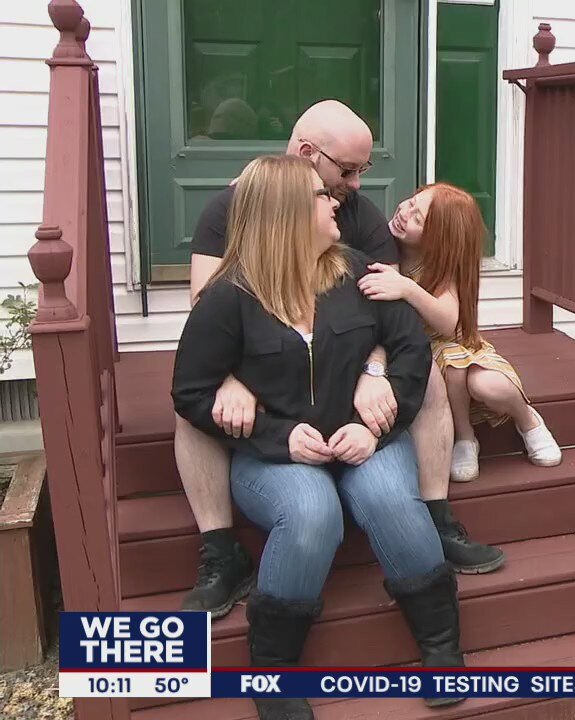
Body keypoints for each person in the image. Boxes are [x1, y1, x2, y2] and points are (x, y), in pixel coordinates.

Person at [178, 100, 503, 618]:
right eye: (347, 171)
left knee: (433, 379)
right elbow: (206, 305)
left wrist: (374, 367)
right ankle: (220, 551)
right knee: (200, 405)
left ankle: (435, 516)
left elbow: (386, 303)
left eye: (362, 171)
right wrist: (231, 376)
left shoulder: (357, 214)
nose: (354, 184)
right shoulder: (231, 208)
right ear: (308, 155)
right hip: (263, 359)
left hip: (343, 360)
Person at [172, 155, 466, 719]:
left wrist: (375, 416)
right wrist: (277, 436)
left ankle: (441, 646)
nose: (337, 201)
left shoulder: (359, 272)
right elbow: (190, 392)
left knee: (390, 501)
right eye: (320, 195)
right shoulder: (229, 296)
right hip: (275, 458)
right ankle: (274, 673)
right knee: (312, 514)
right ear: (285, 211)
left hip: (366, 441)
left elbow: (410, 351)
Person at [358, 182, 562, 484]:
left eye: (417, 219)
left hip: (459, 348)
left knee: (487, 385)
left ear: (438, 240)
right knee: (452, 372)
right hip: (422, 354)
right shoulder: (383, 246)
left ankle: (527, 418)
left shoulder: (437, 266)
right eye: (411, 203)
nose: (403, 212)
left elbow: (448, 324)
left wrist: (407, 288)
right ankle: (465, 438)